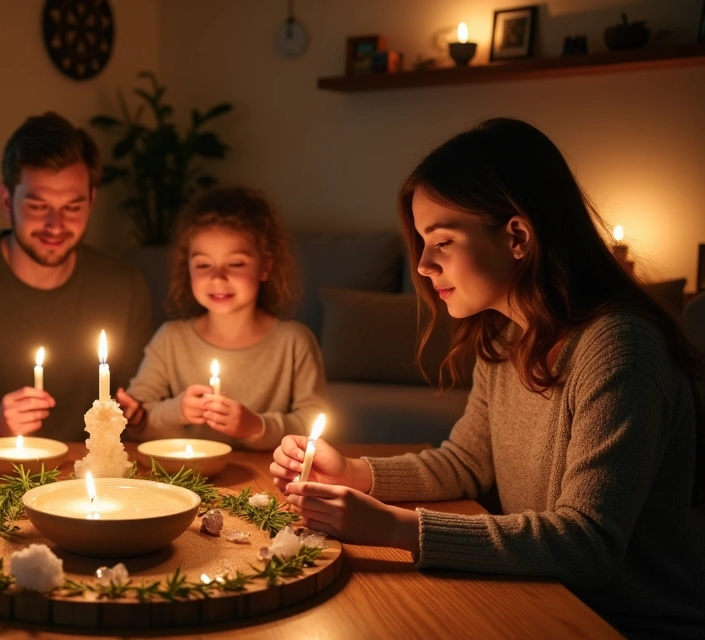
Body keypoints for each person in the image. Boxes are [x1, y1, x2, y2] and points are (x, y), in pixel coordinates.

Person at [271, 118, 704, 638]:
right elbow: (467, 463)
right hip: (538, 596)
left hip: (623, 622)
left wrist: (393, 527)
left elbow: (588, 546)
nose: (424, 265)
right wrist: (353, 473)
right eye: (422, 242)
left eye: (442, 240)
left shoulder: (621, 350)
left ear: (517, 236)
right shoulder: (506, 336)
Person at [0, 112, 153, 444]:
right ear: (8, 200)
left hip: (92, 471)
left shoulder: (123, 285)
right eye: (38, 206)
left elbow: (139, 407)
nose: (55, 225)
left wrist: (143, 416)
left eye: (72, 207)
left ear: (92, 200)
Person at [120, 186, 326, 450]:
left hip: (267, 473)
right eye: (203, 265)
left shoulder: (294, 342)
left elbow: (313, 424)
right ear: (187, 269)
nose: (217, 277)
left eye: (236, 264)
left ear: (265, 267)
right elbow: (137, 422)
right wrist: (176, 411)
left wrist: (256, 426)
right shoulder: (171, 339)